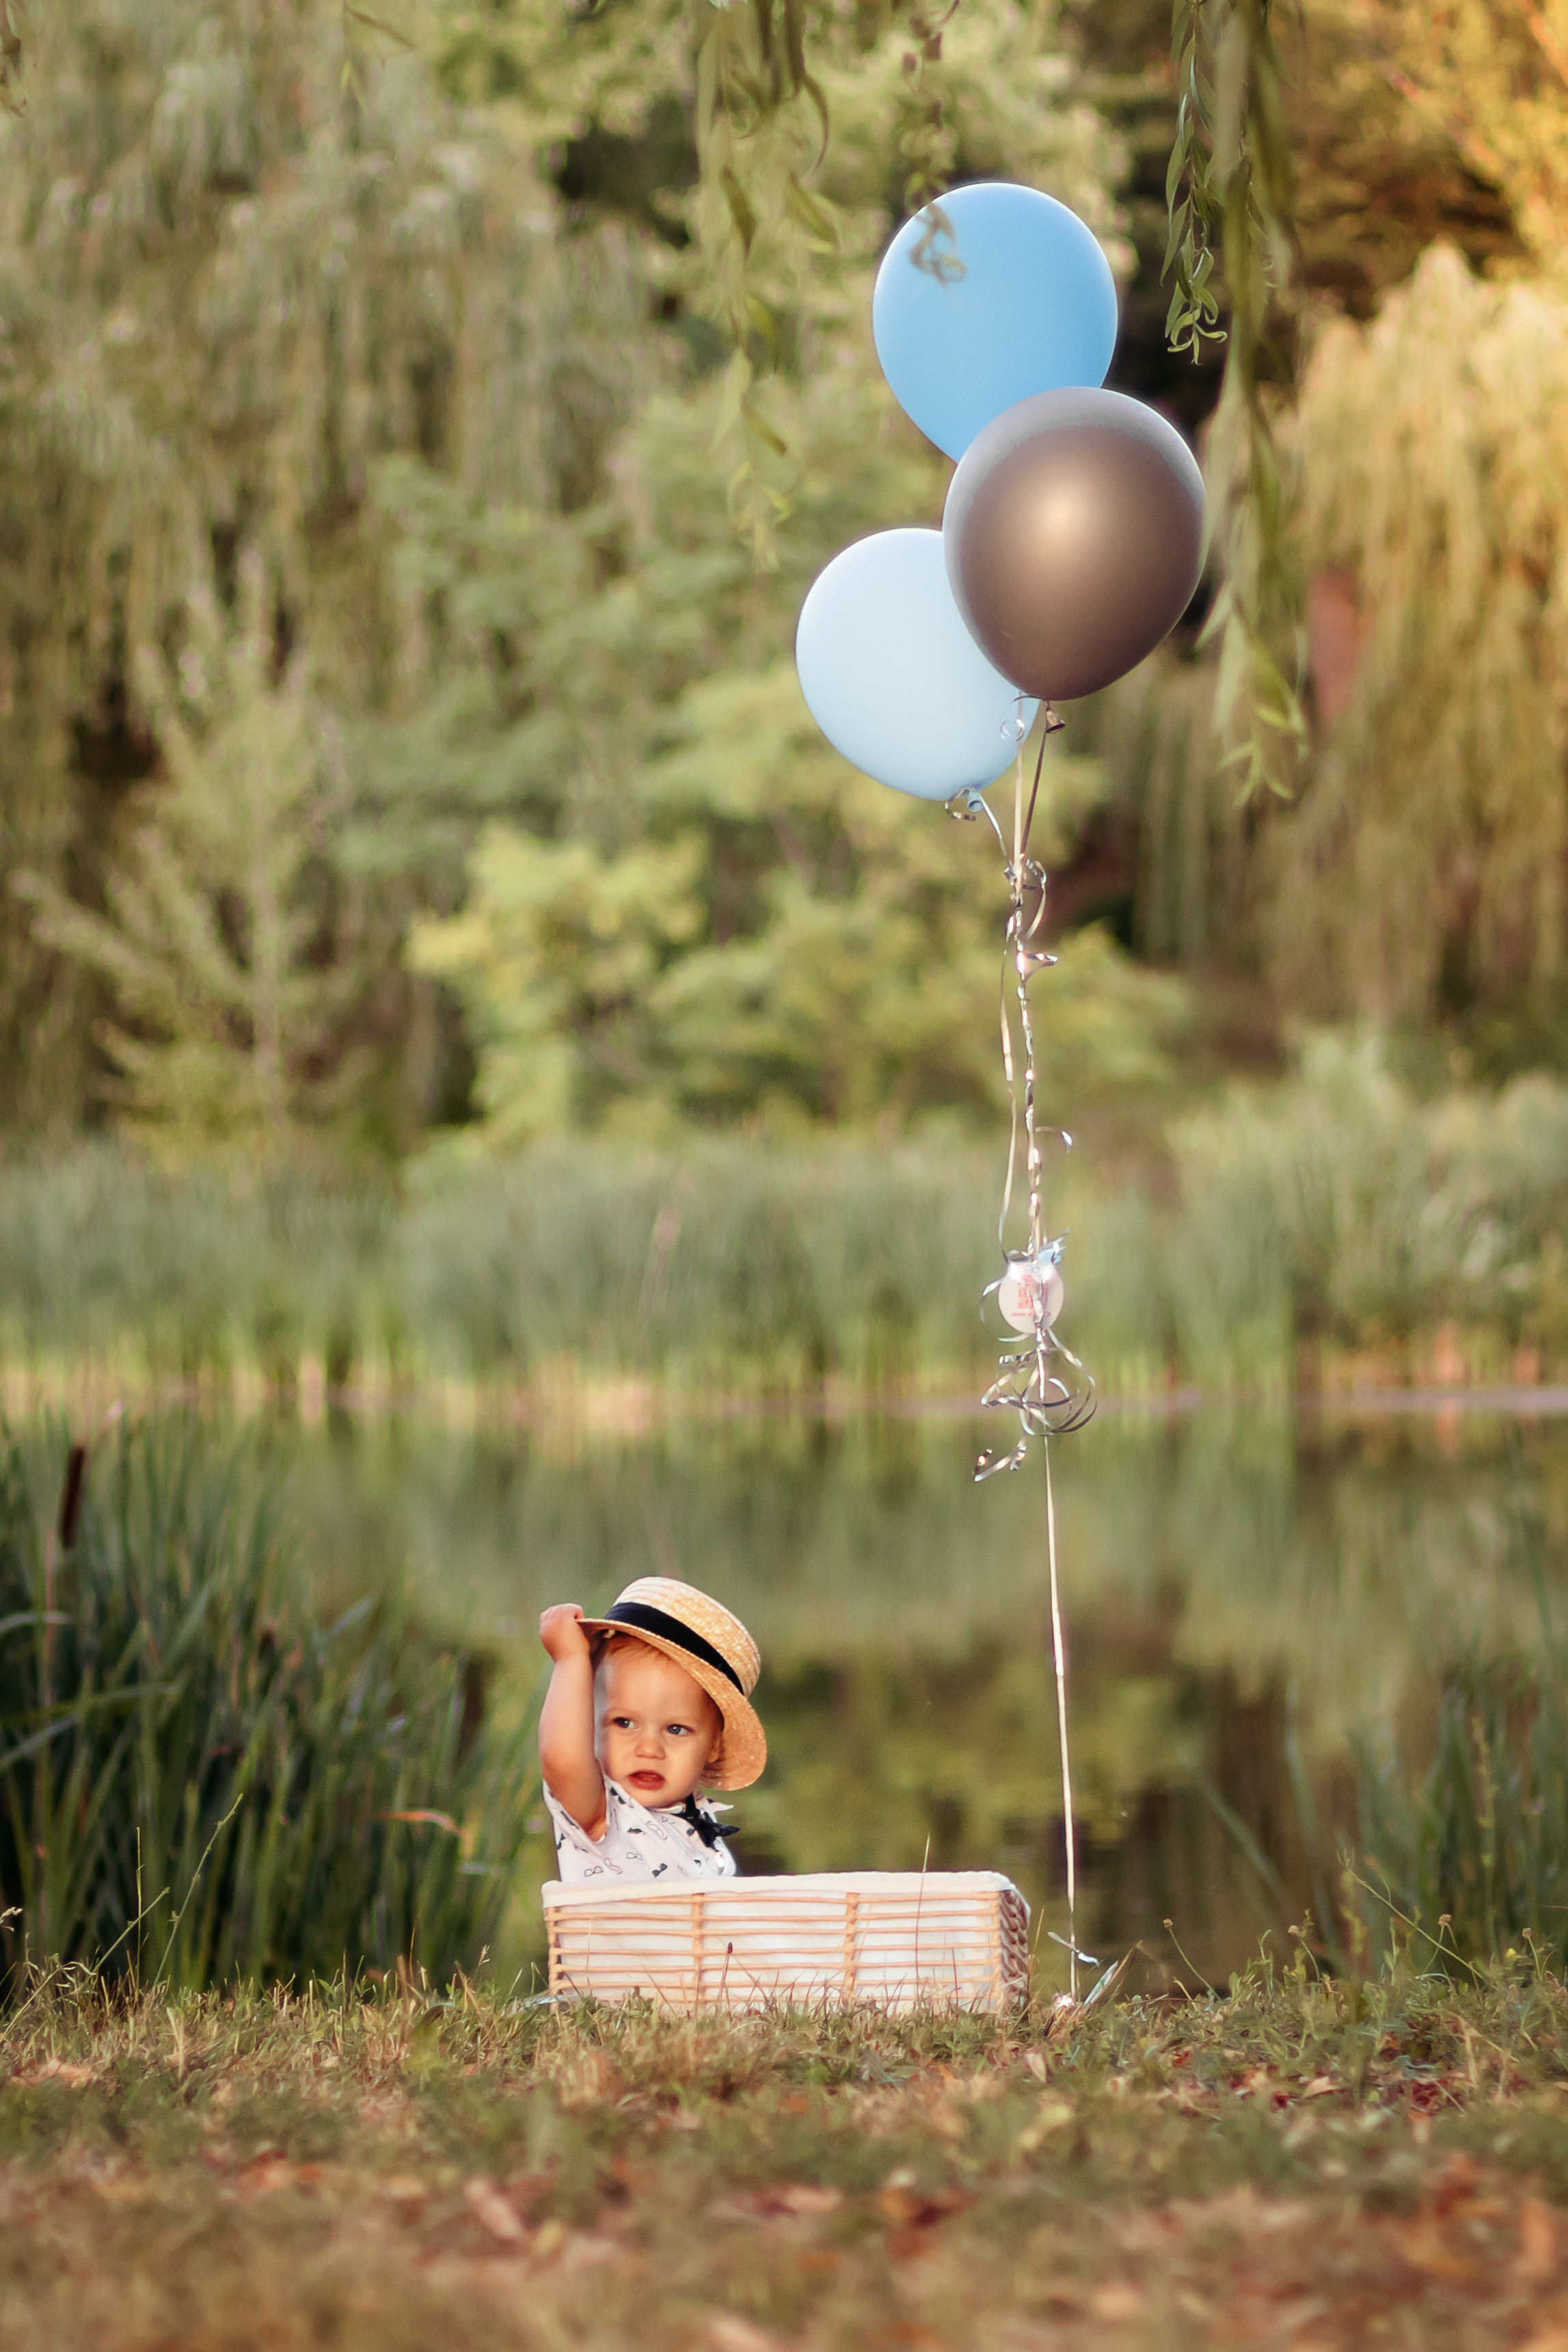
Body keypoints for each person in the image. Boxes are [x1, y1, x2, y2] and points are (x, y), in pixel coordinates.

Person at [537, 1576, 766, 1883]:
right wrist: (570, 1659)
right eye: (624, 1723)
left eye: (676, 1729)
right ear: (591, 1722)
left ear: (714, 1744)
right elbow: (563, 1760)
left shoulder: (703, 1828)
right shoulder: (602, 1814)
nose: (649, 1749)